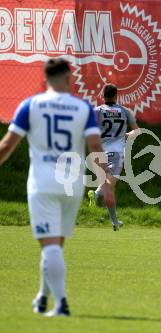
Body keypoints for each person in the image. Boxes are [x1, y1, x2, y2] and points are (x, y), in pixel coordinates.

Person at [0, 58, 115, 316]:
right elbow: (96, 147)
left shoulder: (30, 105)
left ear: (45, 79)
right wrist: (106, 181)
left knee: (49, 245)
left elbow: (7, 145)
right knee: (55, 246)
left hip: (42, 184)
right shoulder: (83, 107)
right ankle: (43, 296)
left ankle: (61, 304)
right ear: (68, 78)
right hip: (71, 185)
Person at [88, 84, 139, 231]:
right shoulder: (124, 111)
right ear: (117, 96)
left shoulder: (96, 111)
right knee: (110, 186)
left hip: (99, 152)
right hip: (116, 153)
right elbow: (137, 131)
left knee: (108, 186)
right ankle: (98, 194)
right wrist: (128, 135)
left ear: (103, 96)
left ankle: (114, 222)